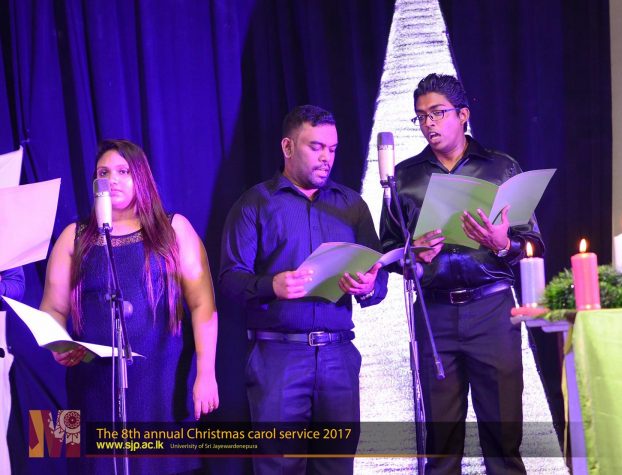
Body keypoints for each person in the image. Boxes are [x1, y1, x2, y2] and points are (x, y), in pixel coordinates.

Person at [379, 74, 545, 474]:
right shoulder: (405, 177)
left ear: (463, 115)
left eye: (437, 113)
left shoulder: (501, 168)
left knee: (503, 439)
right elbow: (387, 251)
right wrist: (413, 256)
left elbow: (535, 245)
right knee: (441, 444)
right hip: (434, 314)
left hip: (492, 311)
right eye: (421, 116)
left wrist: (502, 243)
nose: (429, 123)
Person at [219, 104, 387, 474]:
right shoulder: (255, 204)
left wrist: (368, 286)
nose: (327, 157)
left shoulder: (352, 206)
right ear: (288, 147)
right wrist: (271, 285)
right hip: (278, 357)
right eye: (316, 147)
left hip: (338, 356)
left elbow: (379, 279)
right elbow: (230, 280)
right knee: (278, 466)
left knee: (337, 466)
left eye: (332, 148)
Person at [40, 139, 219, 474]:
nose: (113, 179)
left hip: (161, 383)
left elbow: (203, 304)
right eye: (104, 173)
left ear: (141, 177)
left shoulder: (174, 229)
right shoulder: (74, 237)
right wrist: (57, 343)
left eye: (123, 171)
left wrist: (206, 374)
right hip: (93, 387)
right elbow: (52, 307)